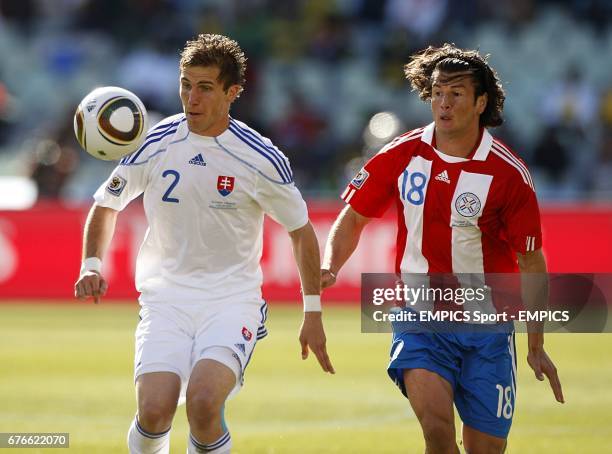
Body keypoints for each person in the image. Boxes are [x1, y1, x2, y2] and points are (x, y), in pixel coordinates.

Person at [74, 34, 334, 454]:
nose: (190, 98)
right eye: (185, 85)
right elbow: (106, 205)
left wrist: (313, 311)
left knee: (203, 404)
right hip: (165, 300)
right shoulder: (156, 143)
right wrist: (91, 264)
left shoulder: (260, 158)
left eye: (205, 88)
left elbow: (301, 230)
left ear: (233, 93)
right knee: (155, 412)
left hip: (231, 301)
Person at [321, 43, 563, 453]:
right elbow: (354, 215)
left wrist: (535, 342)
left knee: (484, 448)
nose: (443, 103)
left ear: (480, 102)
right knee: (436, 431)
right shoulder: (401, 153)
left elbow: (529, 259)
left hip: (488, 328)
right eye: (437, 93)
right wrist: (330, 266)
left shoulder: (508, 174)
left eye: (455, 94)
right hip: (420, 319)